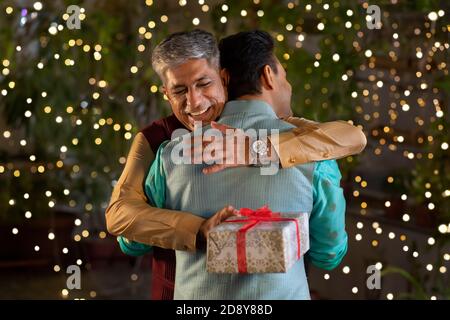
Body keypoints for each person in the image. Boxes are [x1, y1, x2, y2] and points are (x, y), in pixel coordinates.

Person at [105, 29, 366, 299]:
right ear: (268, 76)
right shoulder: (313, 154)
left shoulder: (168, 154)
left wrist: (255, 149)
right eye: (180, 90)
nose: (194, 101)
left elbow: (131, 243)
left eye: (203, 84)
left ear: (223, 79)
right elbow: (328, 255)